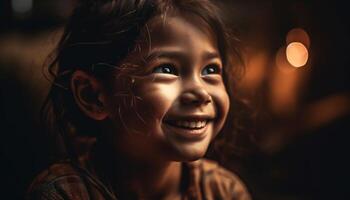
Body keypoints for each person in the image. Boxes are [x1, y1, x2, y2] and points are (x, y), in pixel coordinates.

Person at [27, 0, 251, 199]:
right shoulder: (61, 194)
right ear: (93, 96)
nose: (201, 94)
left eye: (210, 69)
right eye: (166, 68)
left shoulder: (225, 191)